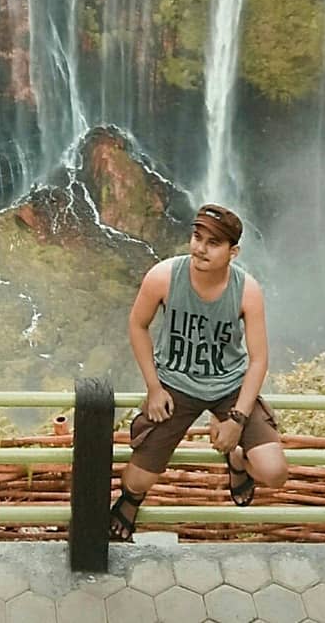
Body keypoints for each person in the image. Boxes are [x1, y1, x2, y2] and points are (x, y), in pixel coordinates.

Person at [110, 202, 288, 541]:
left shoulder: (247, 291)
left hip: (229, 386)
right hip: (174, 384)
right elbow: (137, 325)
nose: (200, 248)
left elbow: (259, 359)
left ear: (233, 251)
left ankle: (237, 461)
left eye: (213, 242)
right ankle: (131, 502)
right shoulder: (163, 277)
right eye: (197, 237)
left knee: (274, 472)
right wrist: (153, 387)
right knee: (134, 482)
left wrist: (237, 419)